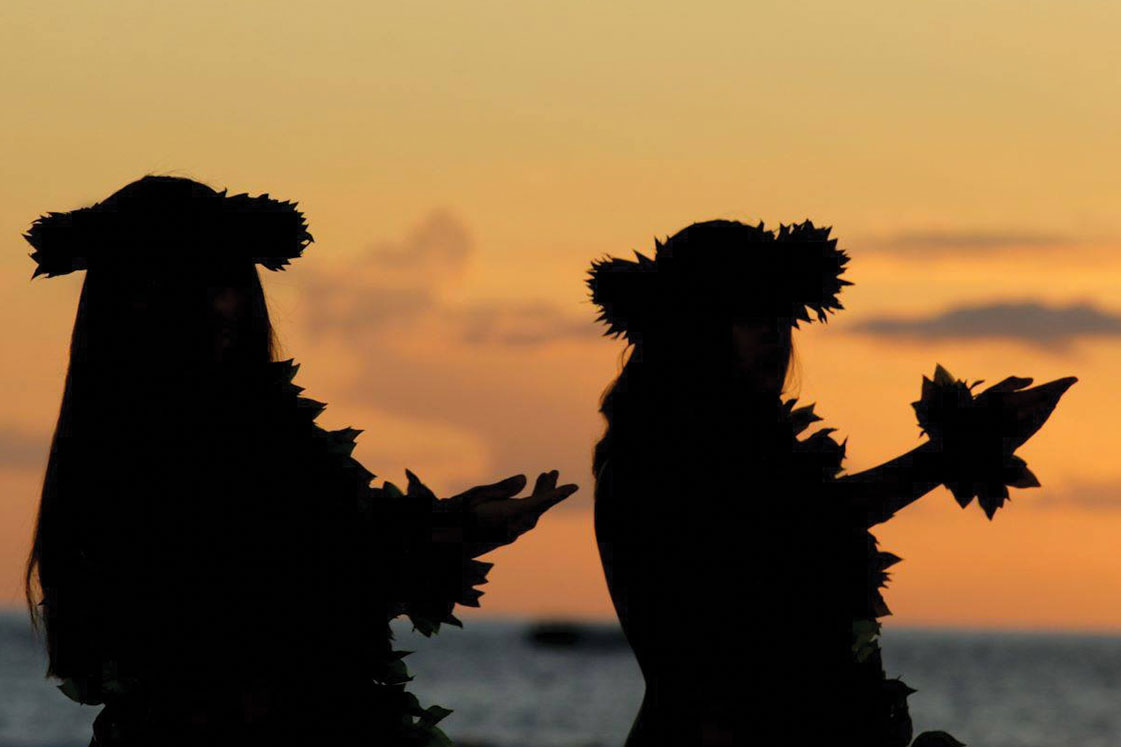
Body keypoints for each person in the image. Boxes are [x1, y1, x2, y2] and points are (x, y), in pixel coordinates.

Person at [22, 175, 578, 746]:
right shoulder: (160, 446)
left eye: (232, 280)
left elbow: (322, 557)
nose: (226, 304)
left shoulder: (218, 429)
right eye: (197, 283)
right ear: (139, 299)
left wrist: (450, 525)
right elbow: (278, 592)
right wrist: (450, 532)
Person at [587, 220, 1075, 746]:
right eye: (747, 314)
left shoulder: (752, 458)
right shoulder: (658, 455)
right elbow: (798, 521)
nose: (773, 332)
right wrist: (956, 449)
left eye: (780, 314)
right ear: (688, 332)